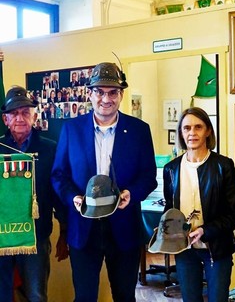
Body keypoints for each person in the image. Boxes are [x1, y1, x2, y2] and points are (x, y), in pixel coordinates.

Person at [51, 62, 158, 302]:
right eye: (99, 91)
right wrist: (73, 198)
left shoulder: (139, 130)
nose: (105, 99)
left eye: (112, 92)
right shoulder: (72, 130)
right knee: (85, 297)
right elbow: (59, 175)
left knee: (124, 296)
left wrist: (132, 193)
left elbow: (148, 176)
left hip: (124, 228)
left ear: (121, 95)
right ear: (90, 93)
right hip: (83, 229)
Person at [163, 107, 235, 302]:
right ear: (181, 133)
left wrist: (205, 231)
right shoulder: (171, 169)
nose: (192, 133)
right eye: (187, 128)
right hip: (185, 251)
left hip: (216, 249)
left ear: (208, 130)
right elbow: (169, 209)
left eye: (198, 127)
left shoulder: (223, 166)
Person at [0, 85, 68, 302]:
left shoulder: (50, 148)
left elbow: (58, 192)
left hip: (36, 238)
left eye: (25, 112)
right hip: (1, 236)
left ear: (34, 116)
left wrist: (64, 231)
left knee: (36, 295)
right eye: (14, 113)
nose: (20, 118)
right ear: (5, 120)